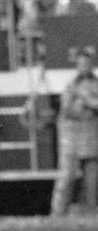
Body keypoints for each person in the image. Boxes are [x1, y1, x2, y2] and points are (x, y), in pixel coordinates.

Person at [50, 47, 98, 216]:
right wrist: (85, 104)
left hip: (92, 137)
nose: (84, 67)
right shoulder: (71, 85)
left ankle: (90, 214)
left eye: (87, 63)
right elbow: (67, 108)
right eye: (81, 64)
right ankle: (58, 214)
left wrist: (87, 100)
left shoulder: (95, 84)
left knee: (92, 181)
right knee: (66, 177)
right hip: (71, 138)